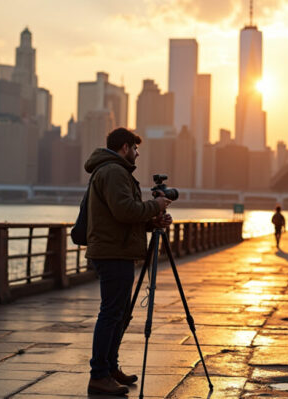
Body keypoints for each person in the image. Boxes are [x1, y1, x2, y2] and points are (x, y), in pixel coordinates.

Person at [85, 127, 173, 395]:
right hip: (113, 253)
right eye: (135, 149)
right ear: (125, 147)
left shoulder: (114, 171)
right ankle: (99, 375)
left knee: (119, 313)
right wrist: (155, 206)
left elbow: (122, 217)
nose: (137, 154)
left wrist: (151, 221)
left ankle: (110, 367)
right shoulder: (113, 171)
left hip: (117, 249)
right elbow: (124, 211)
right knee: (111, 313)